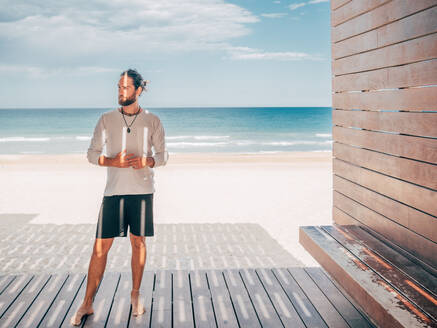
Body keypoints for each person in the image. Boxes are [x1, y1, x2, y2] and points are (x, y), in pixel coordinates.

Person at [71, 69, 168, 325]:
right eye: (118, 87)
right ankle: (87, 303)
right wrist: (112, 161)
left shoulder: (153, 121)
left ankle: (136, 295)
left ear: (138, 90)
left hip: (143, 192)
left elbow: (163, 157)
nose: (120, 92)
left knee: (138, 244)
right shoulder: (106, 119)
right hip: (113, 193)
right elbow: (92, 154)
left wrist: (147, 161)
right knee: (100, 249)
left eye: (125, 87)